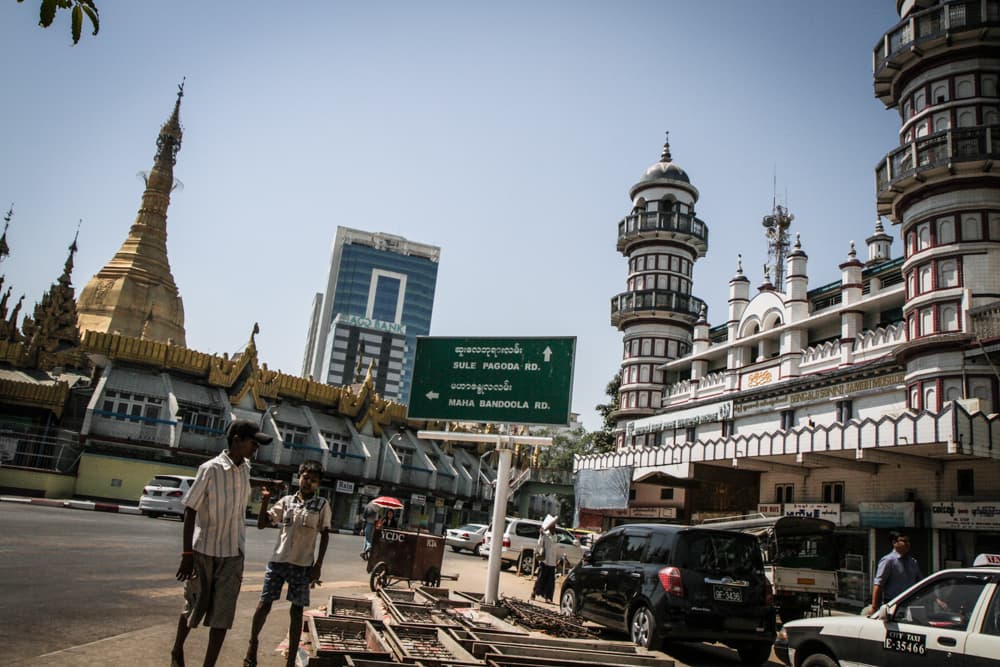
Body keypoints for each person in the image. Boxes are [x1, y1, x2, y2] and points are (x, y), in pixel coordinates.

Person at [171, 419, 272, 667]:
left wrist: (267, 487)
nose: (256, 449)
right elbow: (190, 509)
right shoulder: (210, 469)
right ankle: (177, 650)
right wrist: (187, 554)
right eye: (253, 443)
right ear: (237, 441)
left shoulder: (245, 468)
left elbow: (240, 486)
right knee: (193, 607)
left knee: (223, 616)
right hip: (204, 551)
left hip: (233, 553)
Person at [243, 460, 332, 667]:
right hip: (278, 562)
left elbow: (325, 534)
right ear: (299, 477)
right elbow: (262, 524)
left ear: (318, 484)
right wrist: (265, 501)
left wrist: (318, 565)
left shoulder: (322, 505)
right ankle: (252, 646)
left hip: (302, 565)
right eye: (305, 478)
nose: (308, 482)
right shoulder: (286, 501)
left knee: (296, 612)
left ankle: (291, 660)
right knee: (264, 605)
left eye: (313, 480)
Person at [871, 531, 922, 610]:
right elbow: (878, 584)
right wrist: (874, 607)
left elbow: (921, 582)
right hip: (893, 604)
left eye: (908, 541)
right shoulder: (888, 561)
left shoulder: (912, 562)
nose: (907, 544)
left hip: (911, 603)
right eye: (904, 541)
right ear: (894, 543)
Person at [531, 515, 559, 603]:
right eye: (552, 526)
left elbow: (555, 550)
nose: (554, 527)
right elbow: (539, 544)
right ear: (550, 527)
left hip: (552, 562)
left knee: (550, 581)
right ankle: (534, 593)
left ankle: (548, 597)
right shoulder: (545, 535)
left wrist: (557, 560)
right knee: (540, 579)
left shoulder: (556, 537)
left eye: (554, 526)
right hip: (545, 561)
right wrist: (541, 535)